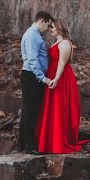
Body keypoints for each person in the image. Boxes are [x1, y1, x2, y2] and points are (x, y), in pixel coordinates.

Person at [36, 19, 90, 154]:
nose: (50, 30)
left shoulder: (65, 43)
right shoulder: (56, 42)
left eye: (53, 28)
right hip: (54, 77)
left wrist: (56, 79)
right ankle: (50, 141)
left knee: (59, 108)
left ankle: (58, 143)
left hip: (61, 79)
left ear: (59, 28)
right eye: (50, 28)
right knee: (53, 108)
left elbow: (62, 62)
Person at [18, 11, 54, 153]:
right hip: (32, 76)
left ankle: (23, 143)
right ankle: (30, 146)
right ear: (42, 21)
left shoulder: (35, 34)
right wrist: (42, 77)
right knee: (30, 111)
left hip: (32, 76)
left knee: (29, 110)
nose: (48, 29)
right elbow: (32, 59)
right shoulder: (32, 35)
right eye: (48, 25)